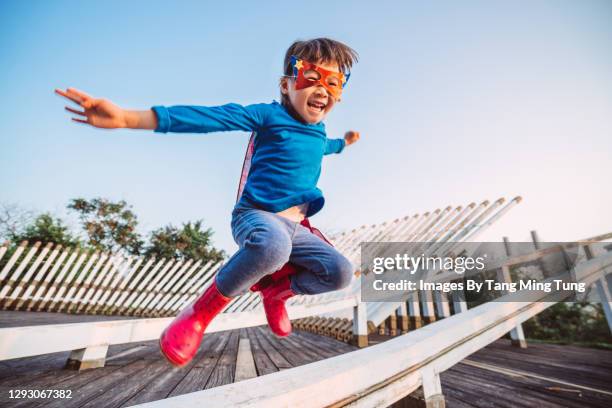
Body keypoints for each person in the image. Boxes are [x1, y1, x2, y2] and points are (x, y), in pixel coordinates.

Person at [55, 37, 360, 367]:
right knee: (273, 249)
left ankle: (277, 293)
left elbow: (327, 146)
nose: (322, 91)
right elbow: (214, 117)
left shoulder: (318, 133)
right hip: (257, 215)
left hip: (296, 228)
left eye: (334, 84)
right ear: (286, 86)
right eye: (311, 79)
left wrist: (344, 143)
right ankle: (198, 315)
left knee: (340, 273)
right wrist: (129, 118)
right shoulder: (269, 115)